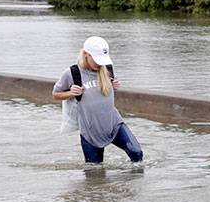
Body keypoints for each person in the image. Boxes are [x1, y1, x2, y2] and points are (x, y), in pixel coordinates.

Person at [52, 36, 144, 165]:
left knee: (137, 154)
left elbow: (102, 91)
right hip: (90, 131)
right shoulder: (72, 73)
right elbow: (55, 94)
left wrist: (113, 86)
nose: (99, 64)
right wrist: (70, 93)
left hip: (113, 124)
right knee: (94, 173)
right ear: (85, 54)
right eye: (96, 60)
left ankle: (127, 184)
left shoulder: (107, 68)